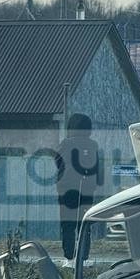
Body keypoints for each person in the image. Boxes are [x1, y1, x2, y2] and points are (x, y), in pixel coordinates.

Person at [54, 113, 101, 264]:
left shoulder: (65, 144)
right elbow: (97, 167)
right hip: (87, 188)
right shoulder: (93, 145)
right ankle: (84, 258)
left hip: (67, 188)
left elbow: (57, 162)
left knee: (68, 224)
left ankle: (69, 258)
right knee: (84, 223)